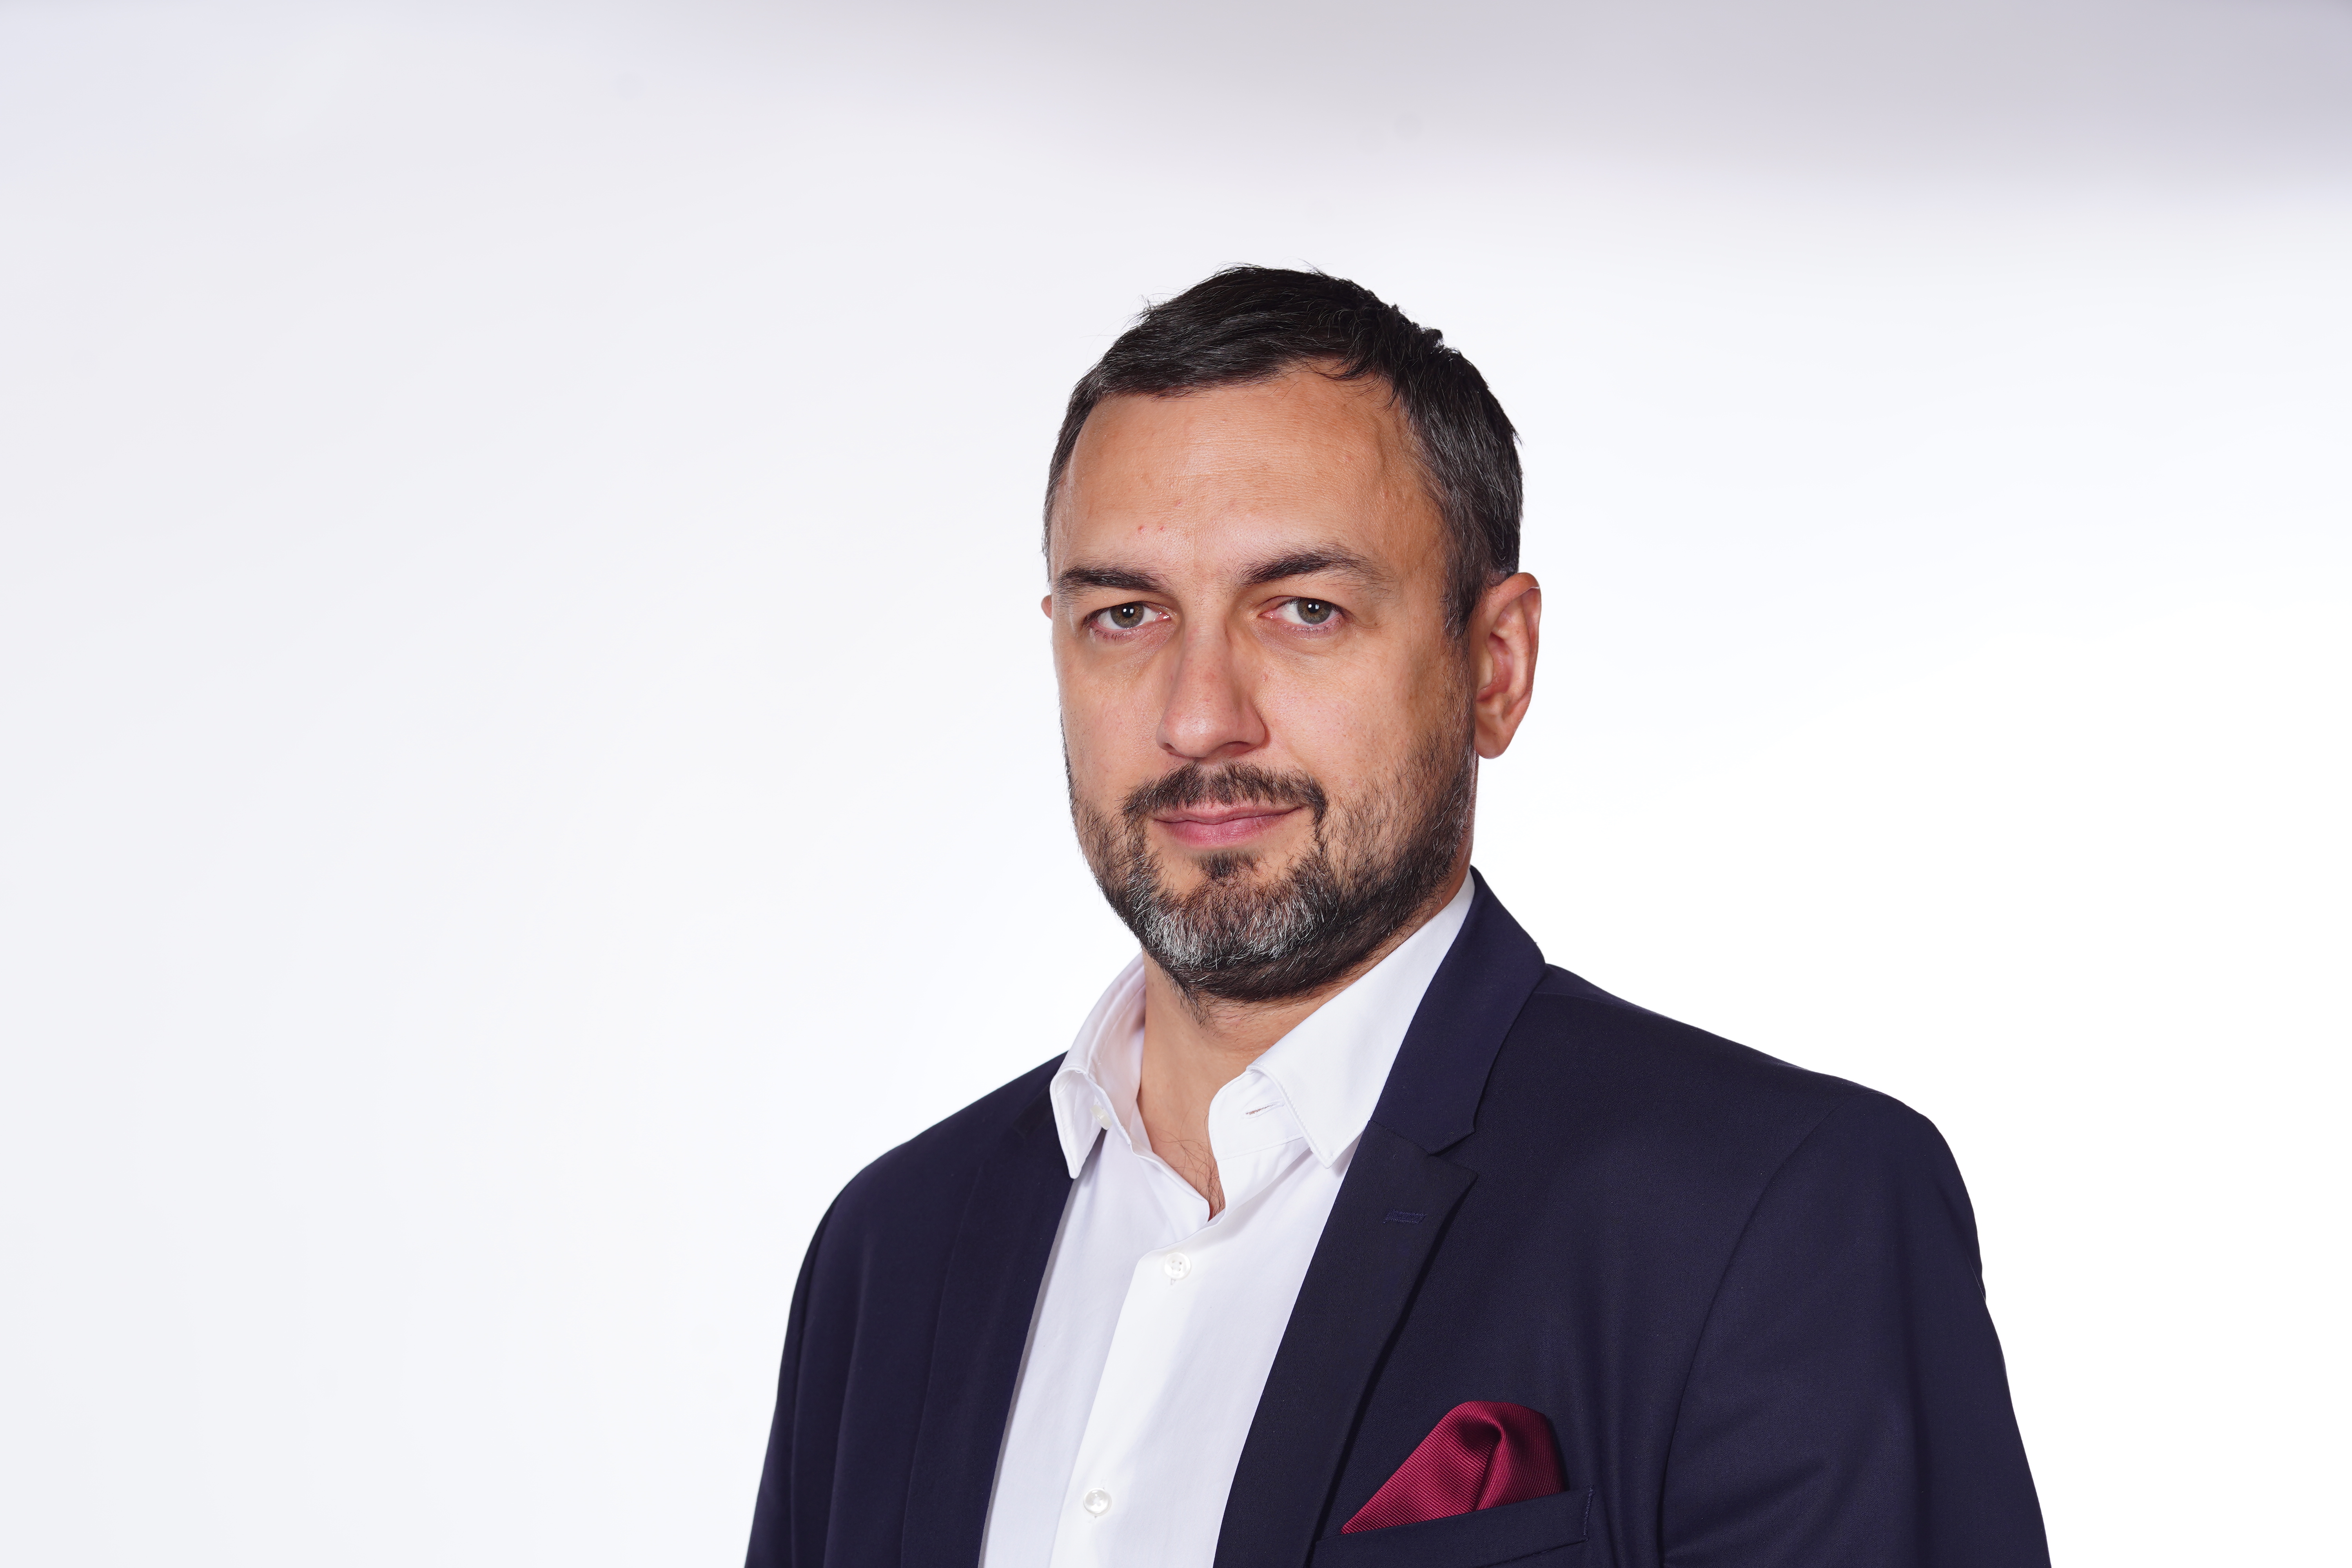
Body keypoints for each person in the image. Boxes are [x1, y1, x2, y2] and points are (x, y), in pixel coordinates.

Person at [744, 267, 2047, 1568]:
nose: (1199, 716)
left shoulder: (1773, 1214)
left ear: (1496, 666)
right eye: (1126, 615)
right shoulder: (892, 1254)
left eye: (1304, 610)